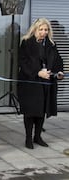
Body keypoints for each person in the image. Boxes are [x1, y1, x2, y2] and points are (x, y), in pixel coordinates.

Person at [17, 18, 64, 149]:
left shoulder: (51, 44)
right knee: (30, 111)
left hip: (45, 83)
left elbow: (58, 60)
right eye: (41, 29)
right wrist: (37, 72)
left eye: (46, 29)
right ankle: (28, 138)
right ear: (35, 29)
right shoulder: (26, 43)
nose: (43, 32)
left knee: (42, 110)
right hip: (30, 83)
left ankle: (37, 136)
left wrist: (59, 72)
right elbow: (23, 62)